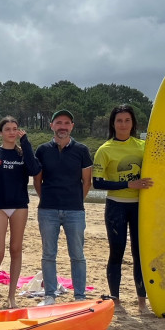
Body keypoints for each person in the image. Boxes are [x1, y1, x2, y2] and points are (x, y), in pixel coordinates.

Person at [92, 106, 153, 313]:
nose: (123, 124)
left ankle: (142, 301)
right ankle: (116, 300)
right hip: (116, 206)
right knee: (117, 253)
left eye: (127, 120)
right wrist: (129, 185)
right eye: (119, 120)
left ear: (133, 123)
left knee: (140, 254)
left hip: (141, 207)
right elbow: (98, 183)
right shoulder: (105, 149)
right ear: (113, 123)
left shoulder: (144, 146)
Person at [34, 109, 94, 306]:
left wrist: (76, 201)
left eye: (67, 123)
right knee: (48, 254)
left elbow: (87, 182)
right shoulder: (42, 150)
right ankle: (49, 294)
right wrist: (48, 199)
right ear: (51, 126)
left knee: (77, 254)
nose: (63, 126)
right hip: (48, 210)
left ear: (72, 127)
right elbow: (37, 181)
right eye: (58, 123)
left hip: (75, 211)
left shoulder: (82, 150)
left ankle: (79, 297)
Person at [0, 117, 41, 308]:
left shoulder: (23, 153)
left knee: (16, 249)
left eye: (15, 129)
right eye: (7, 129)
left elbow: (34, 169)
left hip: (19, 205)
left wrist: (26, 143)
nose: (12, 132)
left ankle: (11, 296)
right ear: (0, 133)